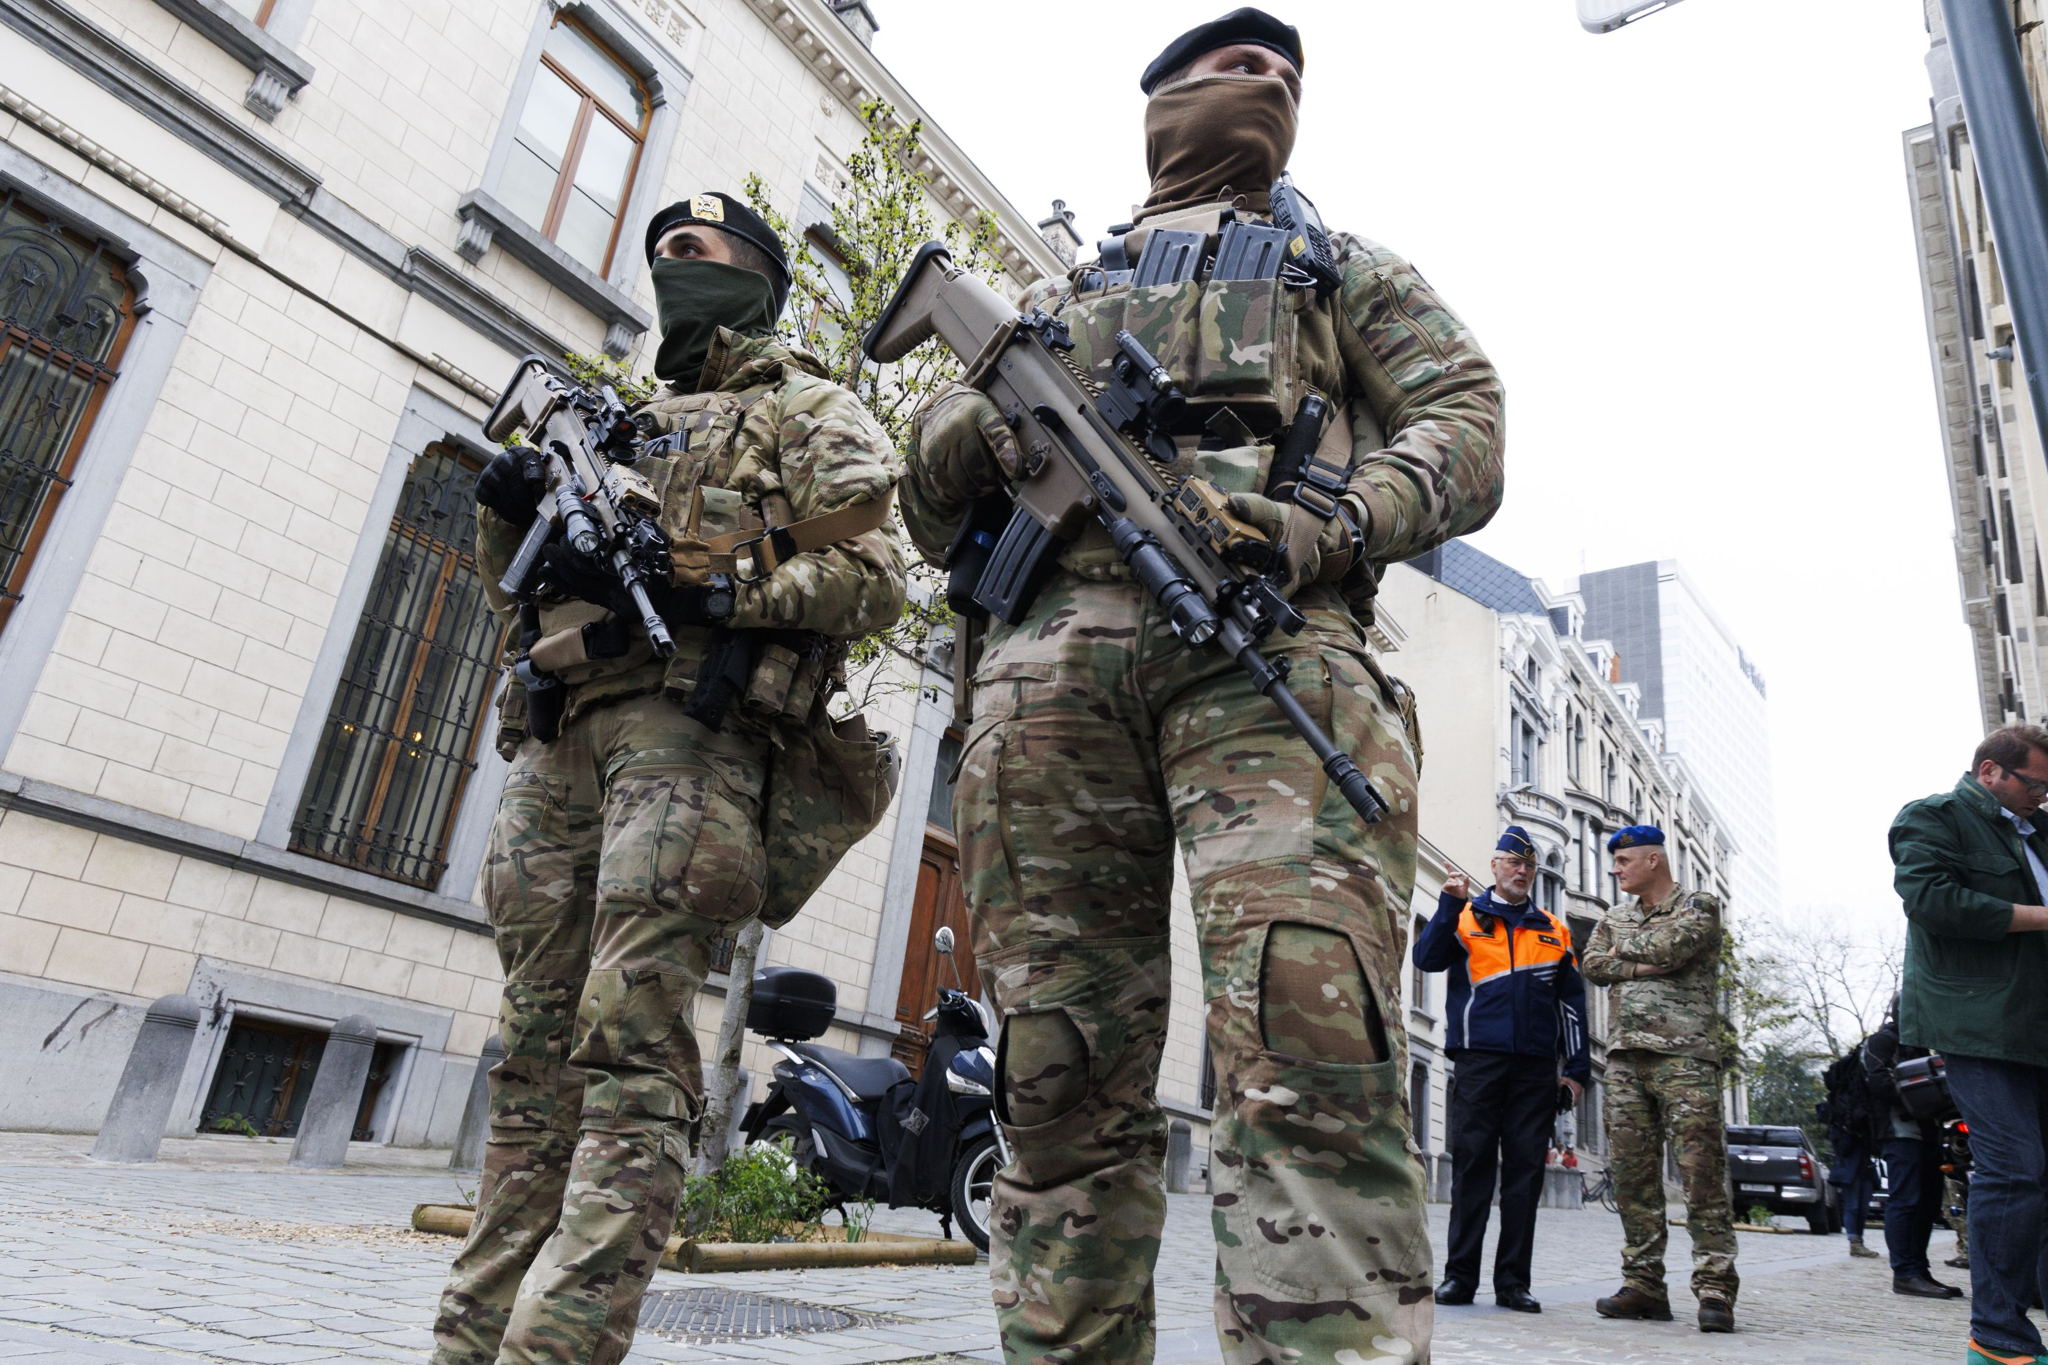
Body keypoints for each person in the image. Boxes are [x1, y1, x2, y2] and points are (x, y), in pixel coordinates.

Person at [900, 9, 1506, 1362]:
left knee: (1313, 1073)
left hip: (1274, 659)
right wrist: (981, 423)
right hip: (1044, 691)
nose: (1268, 83)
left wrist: (1324, 524)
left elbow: (1468, 426)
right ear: (1163, 95)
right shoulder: (1060, 295)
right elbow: (927, 508)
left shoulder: (1342, 268)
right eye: (1237, 67)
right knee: (1053, 1082)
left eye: (1287, 76)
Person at [431, 192, 907, 1365]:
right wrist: (506, 517)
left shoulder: (805, 408)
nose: (671, 269)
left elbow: (873, 570)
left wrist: (722, 581)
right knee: (530, 1058)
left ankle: (555, 1349)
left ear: (754, 277)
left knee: (629, 1049)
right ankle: (467, 1342)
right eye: (660, 255)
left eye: (695, 252)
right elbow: (518, 596)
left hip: (690, 744)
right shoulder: (615, 428)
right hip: (560, 740)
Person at [1890, 725, 2048, 1365]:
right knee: (2014, 1171)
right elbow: (1932, 901)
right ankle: (1997, 1337)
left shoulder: (2040, 830)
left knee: (2039, 1178)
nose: (2042, 795)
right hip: (1979, 1023)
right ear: (1990, 772)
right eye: (2035, 783)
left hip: (2038, 1024)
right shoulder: (1934, 817)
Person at [1413, 826, 1590, 1314]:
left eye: (1529, 865)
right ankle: (1460, 1277)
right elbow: (1427, 958)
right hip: (1479, 1061)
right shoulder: (1466, 916)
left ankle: (1513, 1282)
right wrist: (1448, 904)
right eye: (1513, 862)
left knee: (1524, 1175)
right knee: (1472, 1167)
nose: (1522, 871)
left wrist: (1576, 1071)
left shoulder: (1554, 930)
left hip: (1536, 1068)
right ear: (1494, 865)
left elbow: (1572, 1006)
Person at [1580, 825, 1738, 1334]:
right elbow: (1592, 963)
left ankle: (1715, 1288)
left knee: (1701, 1173)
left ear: (1653, 860)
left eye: (1623, 861)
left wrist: (1626, 956)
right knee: (1632, 1178)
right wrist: (1640, 966)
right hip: (1625, 1059)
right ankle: (1644, 1284)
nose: (1615, 870)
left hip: (1686, 1057)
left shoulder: (1700, 905)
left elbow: (1672, 947)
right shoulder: (1614, 916)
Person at [1861, 1003, 1964, 1298]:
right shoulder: (1882, 1041)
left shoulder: (1918, 1046)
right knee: (1906, 1201)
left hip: (1927, 1132)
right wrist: (1921, 1099)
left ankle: (1919, 1270)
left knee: (1928, 1204)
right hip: (1899, 1133)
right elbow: (1877, 1082)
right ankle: (1905, 1273)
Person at [1818, 1042, 1883, 1260]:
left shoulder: (1849, 1096)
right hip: (1852, 1157)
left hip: (1859, 1157)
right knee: (1855, 1204)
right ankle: (1855, 1242)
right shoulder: (1848, 1099)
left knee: (1861, 1204)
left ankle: (1857, 1241)